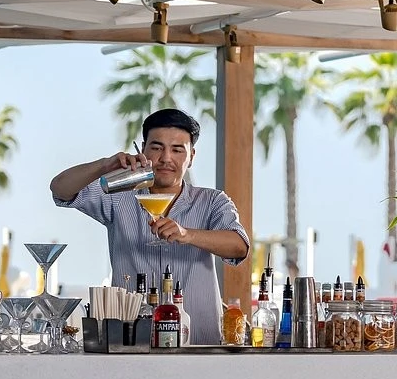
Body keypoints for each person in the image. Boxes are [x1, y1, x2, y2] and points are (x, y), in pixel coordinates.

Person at [50, 108, 250, 345]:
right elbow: (60, 189)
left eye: (177, 150)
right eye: (157, 148)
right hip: (132, 341)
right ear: (143, 149)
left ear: (192, 156)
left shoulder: (212, 201)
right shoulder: (119, 196)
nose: (166, 158)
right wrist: (105, 165)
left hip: (200, 342)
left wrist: (187, 234)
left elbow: (239, 246)